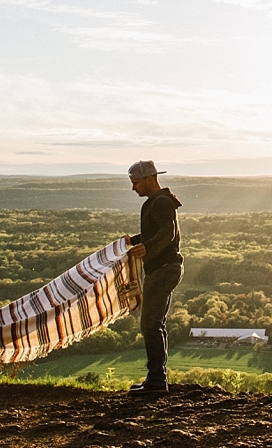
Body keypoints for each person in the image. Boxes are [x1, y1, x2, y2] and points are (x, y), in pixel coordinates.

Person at [125, 160, 183, 395]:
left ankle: (157, 380)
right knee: (154, 324)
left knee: (150, 325)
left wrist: (146, 248)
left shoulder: (159, 202)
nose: (133, 188)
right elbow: (158, 232)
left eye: (136, 183)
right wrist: (134, 242)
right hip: (166, 269)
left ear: (150, 179)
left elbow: (167, 234)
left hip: (163, 269)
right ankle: (157, 378)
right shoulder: (159, 201)